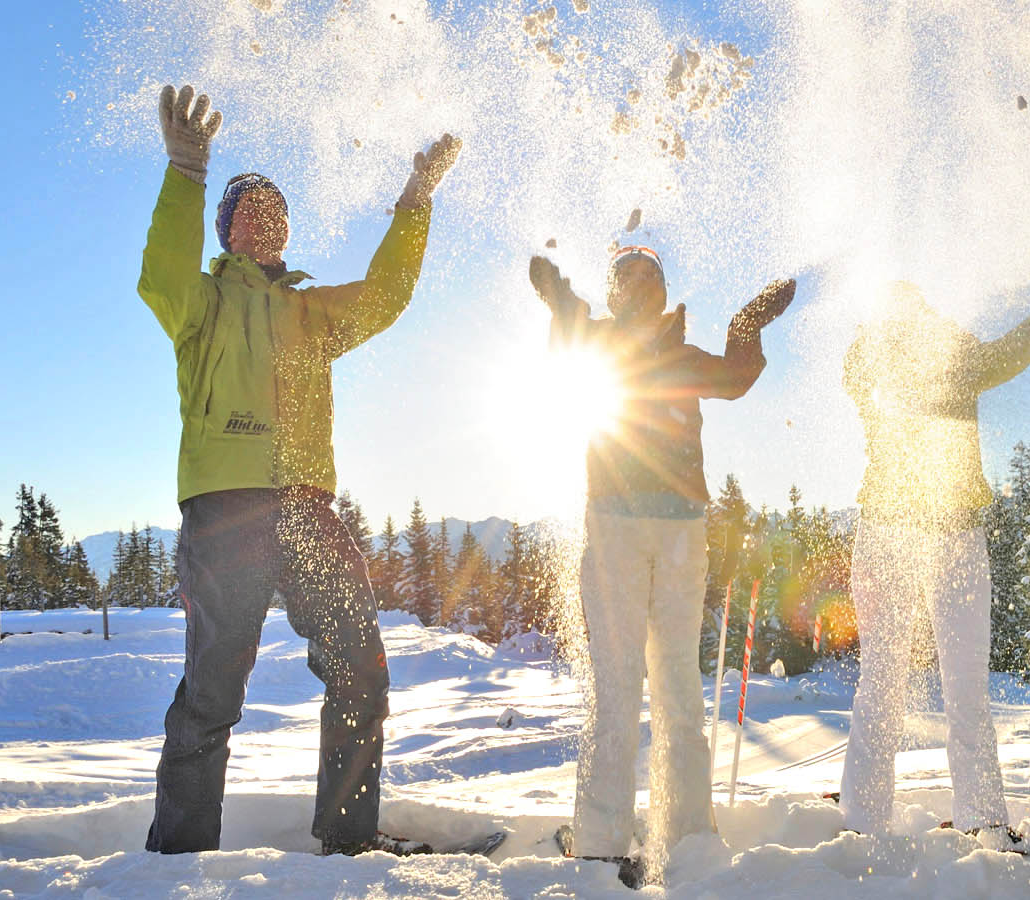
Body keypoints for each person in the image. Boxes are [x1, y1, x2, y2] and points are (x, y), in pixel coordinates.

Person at [138, 83, 461, 857]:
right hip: (225, 513)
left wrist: (414, 203)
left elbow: (387, 296)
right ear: (228, 228)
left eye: (278, 207)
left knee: (360, 668)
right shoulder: (202, 303)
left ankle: (348, 845)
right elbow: (160, 273)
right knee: (212, 692)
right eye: (249, 205)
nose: (266, 213)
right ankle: (177, 861)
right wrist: (187, 170)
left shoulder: (313, 315)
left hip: (307, 511)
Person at [528, 247, 795, 885]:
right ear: (614, 292)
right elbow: (570, 335)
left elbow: (734, 377)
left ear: (663, 291)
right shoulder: (597, 341)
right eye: (629, 276)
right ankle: (599, 846)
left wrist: (751, 321)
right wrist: (558, 293)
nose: (642, 285)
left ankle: (688, 839)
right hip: (615, 525)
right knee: (617, 686)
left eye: (653, 276)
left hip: (683, 528)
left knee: (679, 690)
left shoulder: (681, 352)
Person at [837, 282, 1030, 843]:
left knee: (913, 685)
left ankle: (881, 821)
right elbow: (1000, 354)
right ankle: (966, 820)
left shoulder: (939, 354)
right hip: (913, 533)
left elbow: (1002, 354)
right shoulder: (887, 355)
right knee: (922, 686)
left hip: (930, 532)